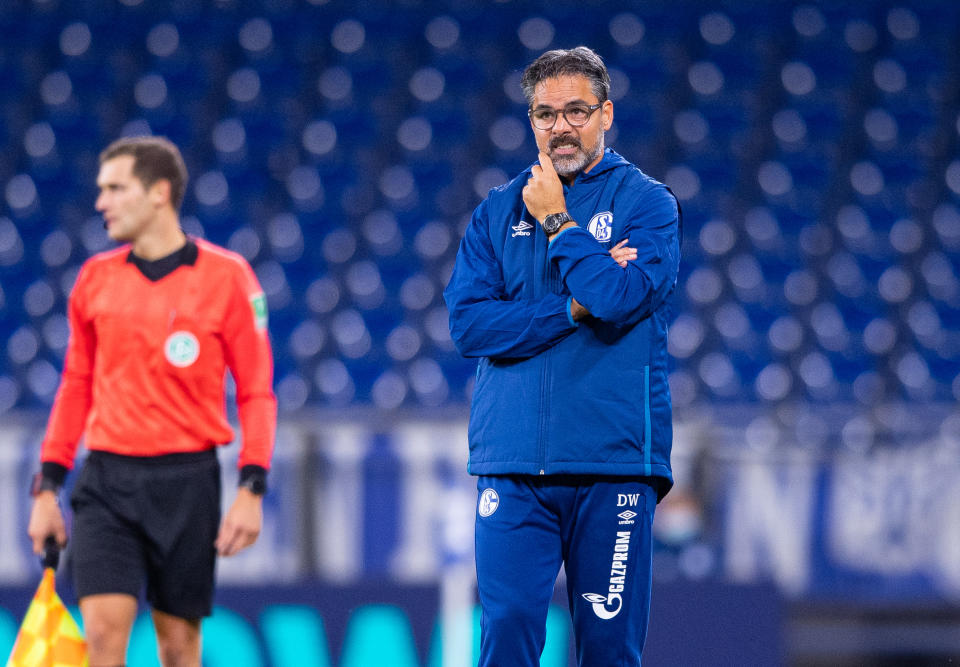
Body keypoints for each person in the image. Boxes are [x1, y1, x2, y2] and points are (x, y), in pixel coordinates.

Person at [444, 47, 681, 666]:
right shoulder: (495, 211)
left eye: (576, 111)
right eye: (546, 114)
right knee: (509, 629)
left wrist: (557, 222)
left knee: (608, 648)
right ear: (531, 123)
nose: (561, 127)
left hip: (613, 467)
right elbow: (469, 326)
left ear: (606, 114)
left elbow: (617, 296)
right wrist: (569, 310)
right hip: (515, 463)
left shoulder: (646, 204)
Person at [26, 136, 277, 667]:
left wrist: (253, 486)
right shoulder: (95, 280)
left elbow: (256, 390)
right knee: (101, 636)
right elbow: (75, 385)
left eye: (116, 188)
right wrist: (47, 485)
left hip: (187, 483)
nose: (101, 203)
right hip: (108, 482)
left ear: (160, 192)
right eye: (100, 190)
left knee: (179, 648)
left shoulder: (228, 278)